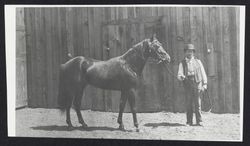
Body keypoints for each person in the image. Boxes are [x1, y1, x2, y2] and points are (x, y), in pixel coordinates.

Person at [177, 44, 207, 126]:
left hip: (197, 83)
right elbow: (179, 75)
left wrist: (205, 84)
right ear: (185, 53)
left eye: (191, 51)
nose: (189, 53)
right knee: (189, 104)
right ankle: (189, 121)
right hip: (187, 85)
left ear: (193, 52)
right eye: (187, 51)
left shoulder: (198, 61)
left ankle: (199, 121)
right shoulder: (182, 63)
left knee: (198, 103)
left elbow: (203, 73)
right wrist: (181, 77)